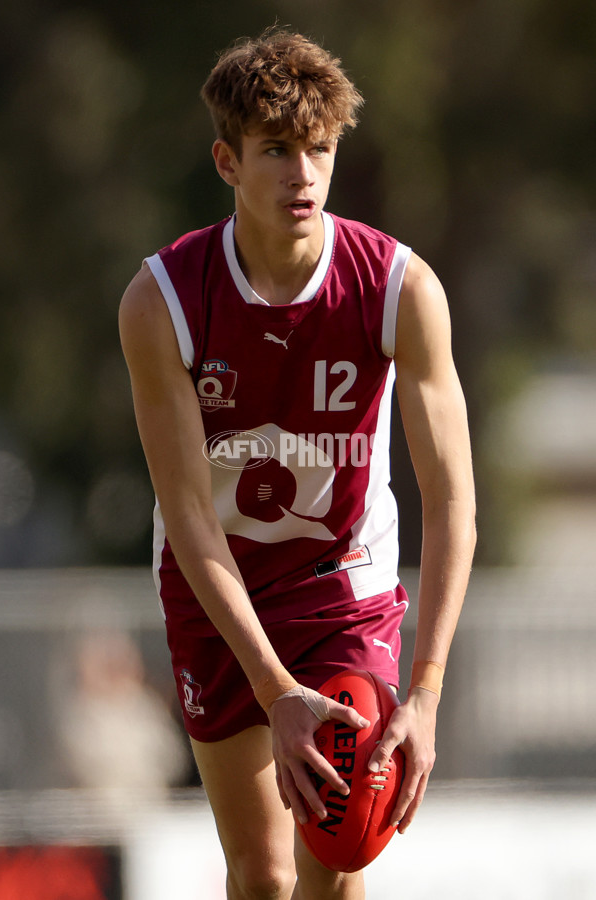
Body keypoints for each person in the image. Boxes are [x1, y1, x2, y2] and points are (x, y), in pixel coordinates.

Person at [119, 28, 476, 900]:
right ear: (227, 161)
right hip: (218, 586)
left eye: (318, 148)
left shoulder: (401, 289)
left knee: (338, 848)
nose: (302, 174)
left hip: (339, 584)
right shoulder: (161, 302)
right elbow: (190, 514)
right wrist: (275, 689)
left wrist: (425, 692)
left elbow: (453, 500)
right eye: (276, 150)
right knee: (263, 872)